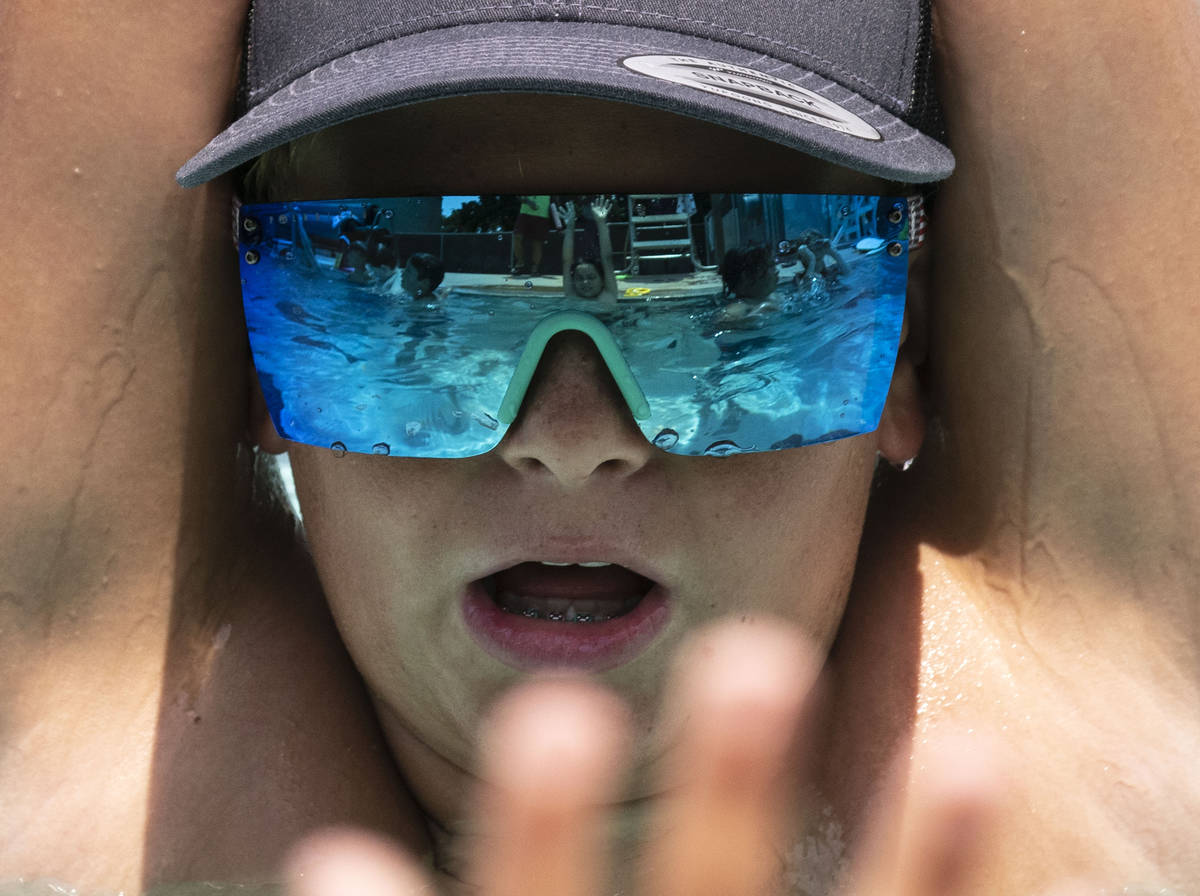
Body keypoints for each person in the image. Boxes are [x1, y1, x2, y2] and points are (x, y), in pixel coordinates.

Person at [2, 3, 1198, 896]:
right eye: (421, 291)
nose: (572, 440)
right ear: (253, 347)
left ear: (907, 347)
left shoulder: (1088, 752)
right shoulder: (105, 779)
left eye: (726, 289)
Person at [557, 197, 621, 305]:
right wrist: (570, 227)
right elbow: (566, 261)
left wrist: (601, 222)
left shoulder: (607, 295)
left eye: (591, 277)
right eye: (579, 278)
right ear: (573, 282)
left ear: (602, 281)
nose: (585, 282)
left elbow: (607, 258)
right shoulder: (572, 296)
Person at [510, 195, 555, 276]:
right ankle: (520, 264)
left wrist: (557, 220)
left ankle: (535, 269)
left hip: (542, 215)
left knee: (537, 243)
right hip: (524, 213)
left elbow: (554, 202)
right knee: (517, 236)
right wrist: (527, 201)